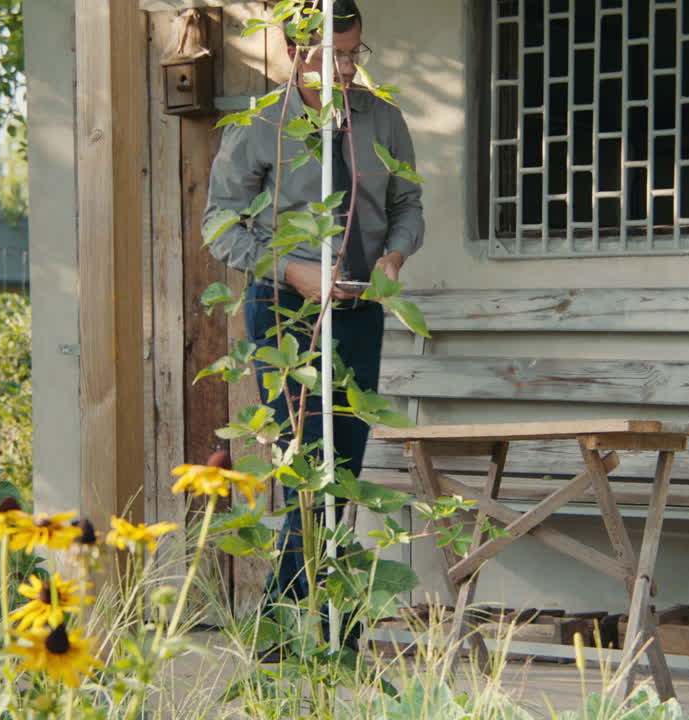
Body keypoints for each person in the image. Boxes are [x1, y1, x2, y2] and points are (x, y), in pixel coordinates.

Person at [202, 0, 423, 653]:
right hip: (285, 310)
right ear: (297, 56)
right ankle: (295, 635)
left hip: (360, 308)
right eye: (336, 57)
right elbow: (219, 223)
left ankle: (318, 630)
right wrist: (289, 269)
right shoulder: (261, 127)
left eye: (356, 53)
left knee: (345, 468)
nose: (350, 69)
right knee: (304, 465)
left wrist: (394, 254)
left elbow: (408, 204)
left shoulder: (382, 118)